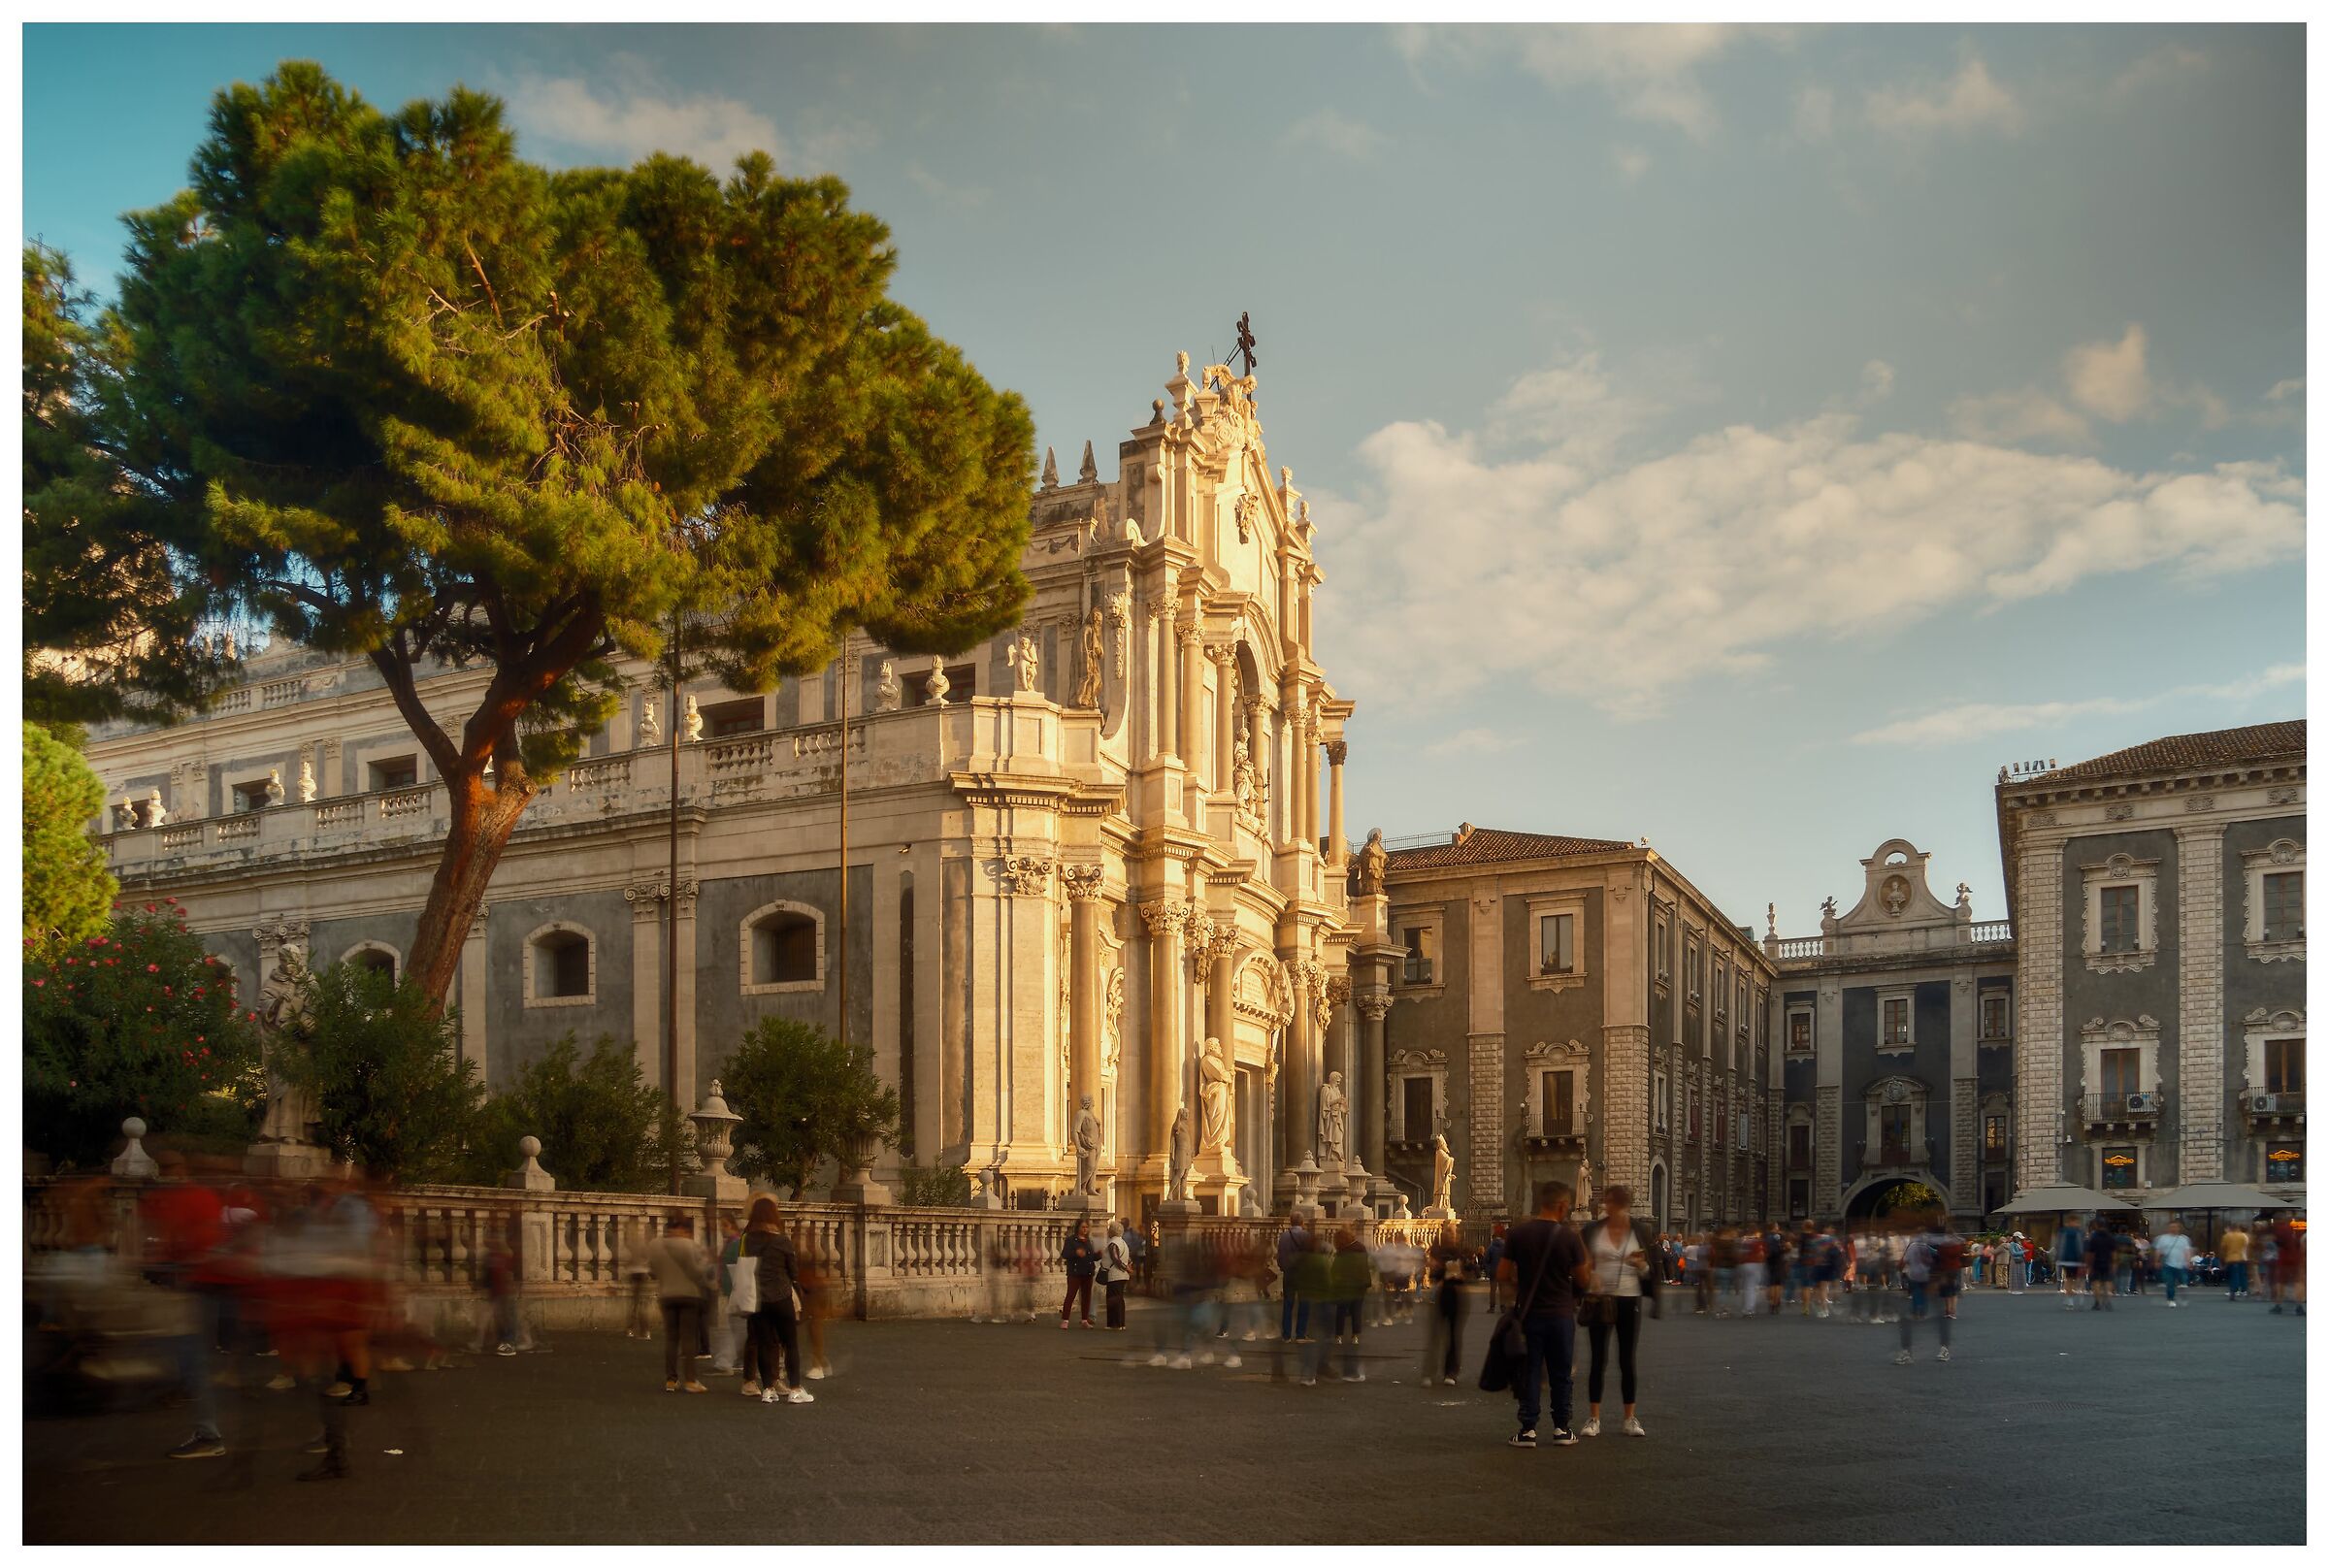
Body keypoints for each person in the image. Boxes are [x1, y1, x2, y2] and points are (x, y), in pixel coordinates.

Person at [1498, 1179, 1592, 1449]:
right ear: (1562, 1205)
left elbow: (1503, 1274)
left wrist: (1522, 1286)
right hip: (1561, 1315)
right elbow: (1584, 1279)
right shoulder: (1570, 1237)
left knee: (1530, 1370)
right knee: (1561, 1372)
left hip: (1530, 1314)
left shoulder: (1518, 1234)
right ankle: (1562, 1428)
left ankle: (1528, 1429)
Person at [1580, 1185, 1655, 1438]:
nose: (1607, 1207)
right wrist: (1590, 1278)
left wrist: (1641, 1265)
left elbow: (1649, 1270)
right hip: (1600, 1299)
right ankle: (1594, 1418)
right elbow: (1583, 1263)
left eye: (1612, 1203)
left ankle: (1629, 1418)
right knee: (1598, 1359)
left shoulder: (1640, 1230)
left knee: (1626, 1359)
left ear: (1624, 1206)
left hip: (1629, 1297)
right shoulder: (1593, 1230)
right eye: (1606, 1202)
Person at [740, 1195, 812, 1404]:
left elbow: (744, 1267)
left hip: (757, 1298)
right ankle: (795, 1389)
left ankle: (768, 1389)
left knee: (763, 1343)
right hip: (781, 1297)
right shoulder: (782, 1241)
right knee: (790, 1344)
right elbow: (793, 1271)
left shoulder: (747, 1240)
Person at [648, 1217, 713, 1392]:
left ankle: (671, 1379)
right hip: (689, 1295)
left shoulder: (655, 1245)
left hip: (667, 1295)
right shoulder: (691, 1246)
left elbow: (652, 1271)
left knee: (671, 1338)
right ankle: (690, 1380)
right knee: (689, 1338)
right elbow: (699, 1272)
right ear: (685, 1230)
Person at [1893, 1208, 1957, 1365]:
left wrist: (1900, 1274)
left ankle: (1907, 1351)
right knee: (1938, 1316)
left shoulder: (1914, 1245)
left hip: (1918, 1278)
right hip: (1932, 1279)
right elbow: (1941, 1259)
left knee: (1908, 1317)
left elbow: (1902, 1263)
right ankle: (1944, 1348)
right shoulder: (1935, 1243)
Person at [1423, 1221, 1468, 1388]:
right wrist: (1440, 1268)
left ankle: (1450, 1372)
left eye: (1454, 1233)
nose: (1452, 1235)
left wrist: (1462, 1272)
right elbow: (1434, 1273)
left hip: (1456, 1295)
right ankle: (1429, 1372)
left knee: (1453, 1336)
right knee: (1435, 1335)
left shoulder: (1461, 1252)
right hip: (1443, 1295)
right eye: (1449, 1232)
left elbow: (1471, 1271)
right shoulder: (1438, 1251)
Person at [1277, 1213, 1313, 1342]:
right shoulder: (1306, 1236)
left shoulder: (1284, 1236)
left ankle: (1286, 1335)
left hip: (1289, 1273)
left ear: (1290, 1222)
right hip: (1303, 1274)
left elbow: (1280, 1254)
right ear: (1302, 1222)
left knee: (1288, 1304)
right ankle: (1300, 1334)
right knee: (1304, 1303)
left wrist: (1283, 1267)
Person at [1060, 1218, 1099, 1328]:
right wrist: (1076, 1253)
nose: (1085, 1229)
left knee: (1086, 1297)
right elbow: (1065, 1254)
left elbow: (1090, 1256)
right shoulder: (1071, 1240)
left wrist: (1098, 1255)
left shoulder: (1088, 1241)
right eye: (1083, 1227)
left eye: (1087, 1227)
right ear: (1078, 1228)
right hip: (1075, 1272)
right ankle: (1065, 1319)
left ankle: (1084, 1319)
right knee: (1070, 1295)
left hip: (1088, 1272)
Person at [1099, 1221, 1133, 1329]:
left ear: (1112, 1231)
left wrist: (1125, 1268)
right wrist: (1128, 1267)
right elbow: (1128, 1258)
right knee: (1119, 1299)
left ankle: (1114, 1323)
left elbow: (1116, 1259)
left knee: (1113, 1299)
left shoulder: (1113, 1244)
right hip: (1123, 1276)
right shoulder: (1123, 1243)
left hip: (1115, 1275)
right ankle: (1121, 1323)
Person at [2153, 1219, 2192, 1307]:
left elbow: (2187, 1251)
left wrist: (2188, 1261)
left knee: (2183, 1281)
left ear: (2179, 1228)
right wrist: (2157, 1261)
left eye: (2175, 1227)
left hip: (2181, 1264)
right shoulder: (2163, 1238)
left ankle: (2182, 1292)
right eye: (2171, 1227)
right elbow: (2158, 1251)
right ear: (2168, 1228)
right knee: (2170, 1282)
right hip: (2168, 1264)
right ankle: (2171, 1299)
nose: (2173, 1229)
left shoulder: (2184, 1239)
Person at [2083, 1224, 2117, 1311]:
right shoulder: (2111, 1238)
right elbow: (2114, 1253)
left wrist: (2088, 1265)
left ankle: (2097, 1302)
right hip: (2108, 1262)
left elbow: (2090, 1253)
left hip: (2096, 1262)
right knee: (2107, 1281)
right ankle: (2107, 1300)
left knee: (2096, 1282)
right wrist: (2114, 1264)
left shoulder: (2094, 1238)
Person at [2055, 1216, 2086, 1309]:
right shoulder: (2079, 1232)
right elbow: (2081, 1246)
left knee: (2069, 1278)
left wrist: (2058, 1258)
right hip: (2076, 1259)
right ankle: (2075, 1297)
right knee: (2078, 1278)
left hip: (2065, 1259)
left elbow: (2058, 1245)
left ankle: (2069, 1299)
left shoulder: (2062, 1231)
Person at [2220, 1221, 2251, 1301]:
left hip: (2231, 1258)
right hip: (2242, 1258)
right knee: (2242, 1275)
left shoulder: (2227, 1236)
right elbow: (2247, 1247)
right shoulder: (2243, 1236)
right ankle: (2245, 1290)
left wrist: (2223, 1258)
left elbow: (2223, 1248)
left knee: (2233, 1276)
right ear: (2238, 1228)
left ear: (2231, 1228)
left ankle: (2233, 1291)